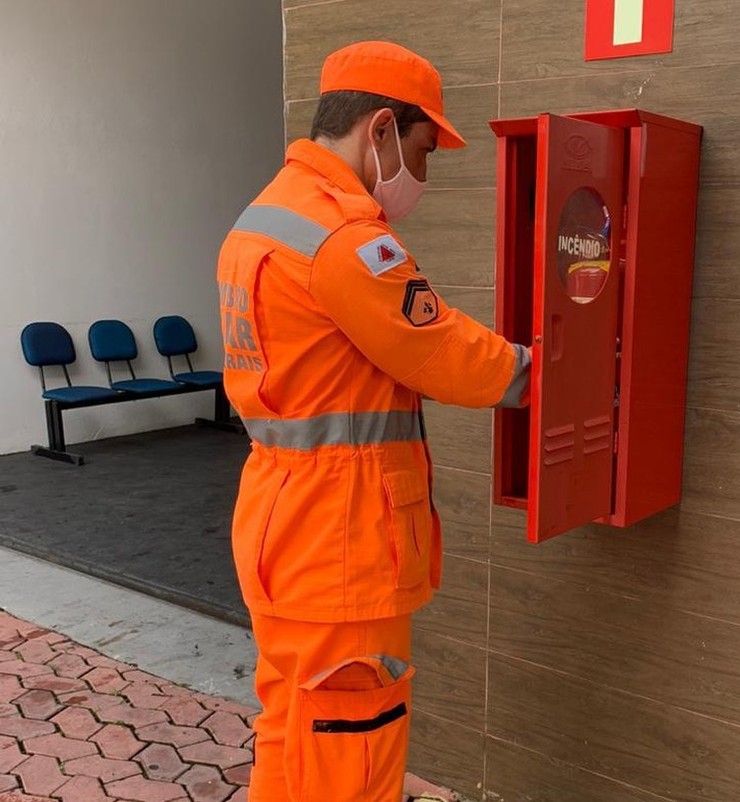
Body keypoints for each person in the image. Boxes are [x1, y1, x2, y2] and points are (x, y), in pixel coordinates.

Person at [216, 40, 530, 802]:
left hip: (278, 527)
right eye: (422, 150)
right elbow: (442, 351)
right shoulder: (344, 238)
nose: (421, 175)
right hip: (343, 543)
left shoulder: (262, 219)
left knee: (291, 724)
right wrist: (540, 371)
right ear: (380, 130)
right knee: (353, 749)